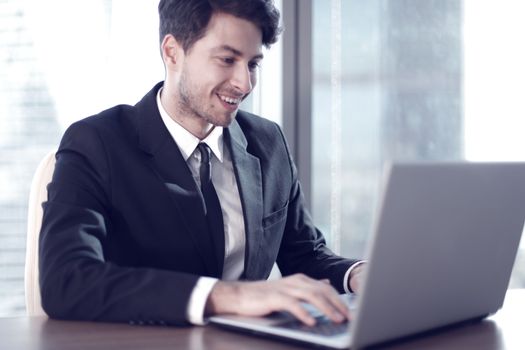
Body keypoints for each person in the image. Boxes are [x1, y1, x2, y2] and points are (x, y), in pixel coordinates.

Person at [39, 0, 364, 327]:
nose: (245, 84)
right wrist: (228, 296)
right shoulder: (96, 144)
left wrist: (357, 275)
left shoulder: (268, 143)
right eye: (227, 59)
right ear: (172, 52)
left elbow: (305, 255)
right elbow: (66, 280)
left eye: (253, 64)